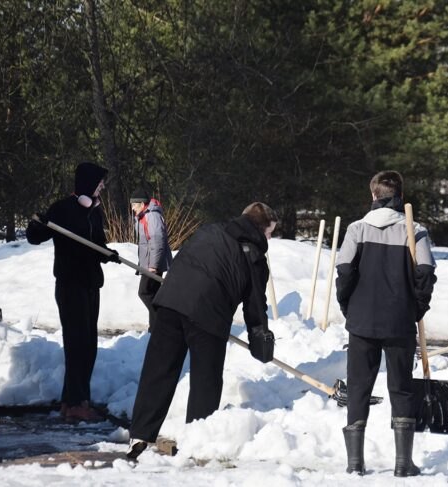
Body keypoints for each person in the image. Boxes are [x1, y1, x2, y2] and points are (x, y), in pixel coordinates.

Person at [127, 202, 278, 459]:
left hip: (170, 302)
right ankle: (196, 441)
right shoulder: (254, 256)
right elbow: (255, 302)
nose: (270, 238)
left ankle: (140, 434)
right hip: (208, 314)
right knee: (205, 379)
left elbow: (182, 259)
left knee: (159, 370)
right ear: (261, 228)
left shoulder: (210, 230)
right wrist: (259, 334)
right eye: (270, 232)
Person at [335, 170, 436, 477]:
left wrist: (348, 307)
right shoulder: (415, 230)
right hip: (399, 321)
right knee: (402, 388)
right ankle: (403, 463)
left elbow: (344, 272)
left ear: (374, 196)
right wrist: (416, 308)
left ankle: (355, 462)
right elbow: (426, 275)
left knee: (358, 388)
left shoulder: (356, 230)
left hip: (362, 321)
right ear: (400, 196)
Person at [26, 161, 121, 422]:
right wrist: (37, 225)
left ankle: (75, 401)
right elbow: (36, 237)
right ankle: (77, 403)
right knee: (76, 343)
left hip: (91, 283)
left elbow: (96, 243)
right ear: (87, 184)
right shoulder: (62, 209)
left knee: (89, 344)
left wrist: (107, 254)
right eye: (99, 182)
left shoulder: (95, 212)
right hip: (70, 284)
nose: (102, 186)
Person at [130, 186, 173, 332]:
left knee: (145, 292)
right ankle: (154, 328)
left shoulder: (151, 216)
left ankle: (161, 323)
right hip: (149, 262)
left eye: (134, 205)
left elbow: (157, 240)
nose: (133, 208)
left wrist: (153, 265)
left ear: (142, 204)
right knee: (153, 294)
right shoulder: (144, 216)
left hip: (153, 264)